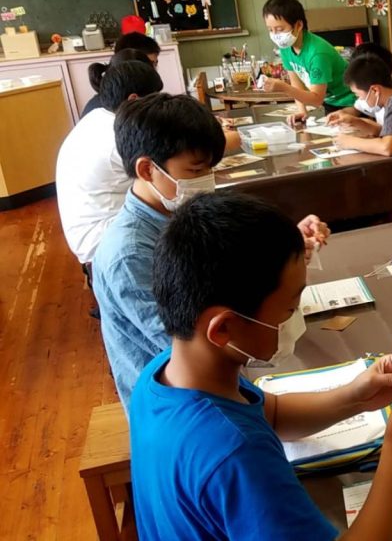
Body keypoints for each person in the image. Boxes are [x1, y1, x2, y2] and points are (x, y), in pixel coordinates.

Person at [132, 191, 392, 541]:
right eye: (288, 309)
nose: (294, 317)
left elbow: (273, 414)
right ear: (222, 328)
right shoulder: (236, 455)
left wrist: (356, 395)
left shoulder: (164, 374)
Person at [91, 93, 330, 408]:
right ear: (148, 170)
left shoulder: (176, 213)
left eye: (210, 169)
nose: (207, 181)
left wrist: (284, 250)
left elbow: (225, 272)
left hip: (218, 377)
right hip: (183, 405)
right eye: (195, 171)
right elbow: (188, 350)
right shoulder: (129, 254)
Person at [56, 60, 164, 267]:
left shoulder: (98, 116)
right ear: (133, 99)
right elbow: (167, 176)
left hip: (92, 236)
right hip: (107, 248)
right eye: (155, 98)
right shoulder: (116, 137)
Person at [261, 0, 356, 123]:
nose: (275, 35)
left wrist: (283, 87)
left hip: (352, 102)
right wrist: (301, 110)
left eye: (279, 29)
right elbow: (296, 83)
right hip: (330, 103)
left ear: (298, 25)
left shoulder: (318, 53)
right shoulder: (285, 47)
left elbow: (316, 99)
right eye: (270, 30)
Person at [327, 42, 392, 132]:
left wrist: (359, 125)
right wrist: (342, 113)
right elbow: (358, 108)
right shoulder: (375, 89)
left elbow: (388, 143)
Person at [81, 32, 162, 117]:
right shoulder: (111, 110)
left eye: (155, 64)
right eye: (148, 64)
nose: (153, 70)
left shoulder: (114, 96)